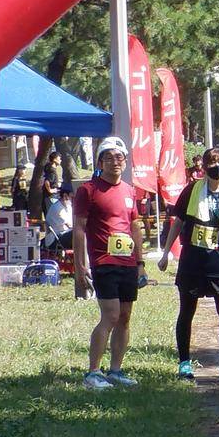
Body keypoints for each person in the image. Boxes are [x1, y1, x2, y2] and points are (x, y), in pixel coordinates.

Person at [160, 145, 219, 381]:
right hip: (193, 258)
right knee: (187, 310)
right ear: (203, 167)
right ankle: (184, 363)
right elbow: (178, 222)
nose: (217, 167)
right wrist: (165, 253)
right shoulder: (192, 190)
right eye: (212, 163)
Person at [71, 137, 140, 390]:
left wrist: (141, 262)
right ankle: (92, 372)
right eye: (109, 157)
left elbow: (134, 226)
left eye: (119, 157)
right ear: (100, 162)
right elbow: (79, 228)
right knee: (109, 316)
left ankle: (116, 370)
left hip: (128, 262)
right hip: (103, 261)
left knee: (125, 317)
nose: (115, 162)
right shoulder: (88, 190)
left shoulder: (130, 190)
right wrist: (80, 265)